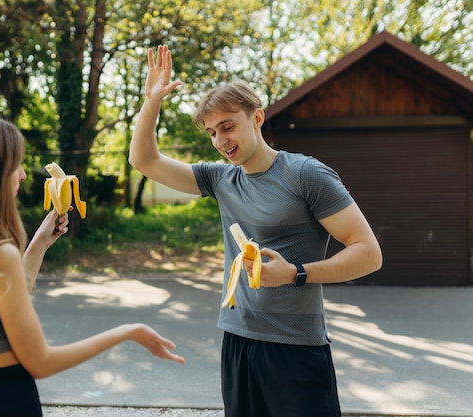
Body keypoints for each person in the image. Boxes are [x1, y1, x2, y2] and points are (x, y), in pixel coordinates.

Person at [129, 45, 382, 417]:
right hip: (238, 340)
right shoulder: (219, 179)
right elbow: (144, 160)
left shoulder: (305, 175)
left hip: (296, 347)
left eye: (228, 126)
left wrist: (295, 273)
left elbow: (368, 253)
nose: (220, 141)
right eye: (213, 132)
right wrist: (152, 102)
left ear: (257, 117)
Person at [0, 113, 185, 417]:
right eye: (14, 164)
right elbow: (41, 363)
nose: (23, 175)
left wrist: (39, 242)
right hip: (4, 403)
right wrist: (128, 331)